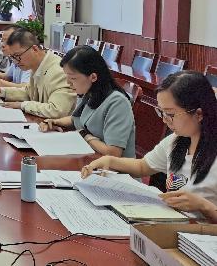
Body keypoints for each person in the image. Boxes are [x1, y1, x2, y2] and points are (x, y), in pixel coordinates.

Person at [81, 71, 217, 222]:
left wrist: (204, 206)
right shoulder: (176, 141)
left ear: (199, 114)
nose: (164, 120)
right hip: (172, 225)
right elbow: (142, 166)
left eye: (170, 114)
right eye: (161, 112)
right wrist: (109, 161)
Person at [39, 46, 135, 157]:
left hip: (113, 166)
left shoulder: (117, 103)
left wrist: (84, 135)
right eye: (67, 77)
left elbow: (113, 152)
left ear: (93, 77)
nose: (68, 83)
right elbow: (77, 119)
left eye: (73, 78)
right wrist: (54, 122)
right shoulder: (90, 92)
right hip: (91, 158)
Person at [0, 29, 76, 118]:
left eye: (17, 56)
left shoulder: (59, 71)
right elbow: (29, 93)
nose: (15, 61)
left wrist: (23, 105)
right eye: (12, 57)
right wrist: (1, 91)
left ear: (34, 49)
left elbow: (57, 110)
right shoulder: (37, 65)